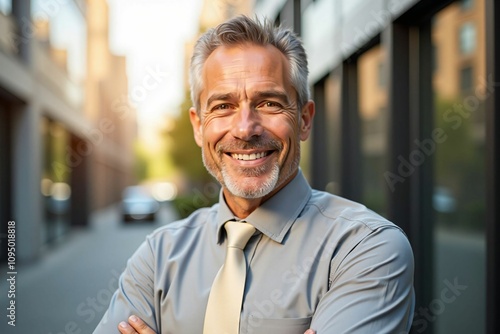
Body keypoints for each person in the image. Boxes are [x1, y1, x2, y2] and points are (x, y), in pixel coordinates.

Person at [93, 15, 415, 334]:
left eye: (269, 103)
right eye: (223, 107)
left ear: (304, 119)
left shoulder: (367, 250)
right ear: (198, 125)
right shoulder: (157, 257)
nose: (246, 128)